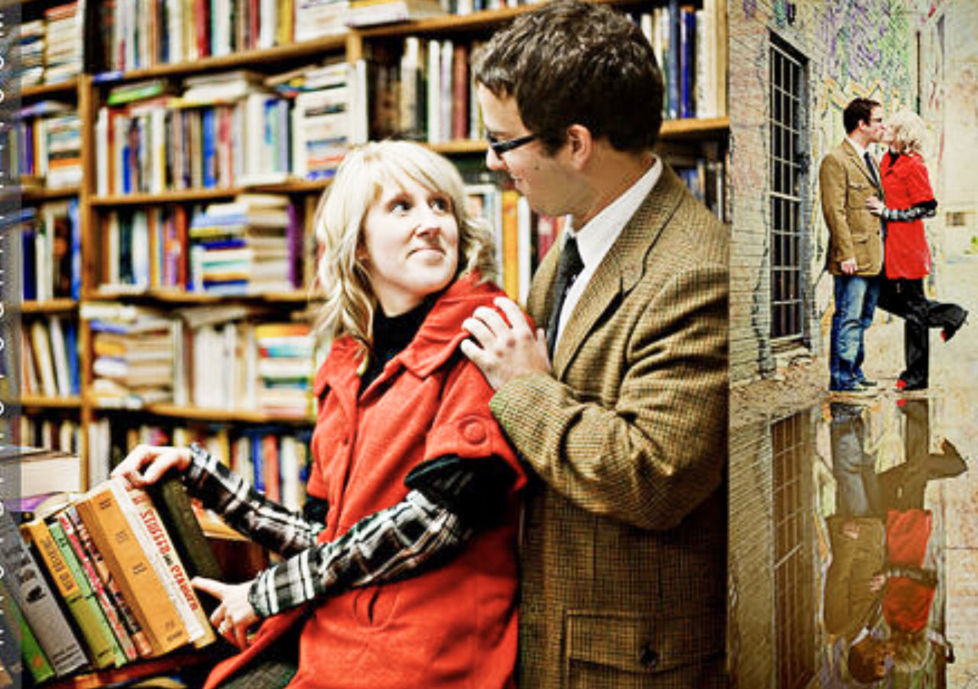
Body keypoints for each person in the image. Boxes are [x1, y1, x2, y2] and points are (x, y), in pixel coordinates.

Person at [112, 141, 527, 689]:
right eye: (402, 207)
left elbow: (433, 523)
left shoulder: (486, 336)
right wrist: (198, 475)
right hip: (338, 630)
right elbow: (325, 535)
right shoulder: (347, 365)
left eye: (441, 205)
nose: (430, 223)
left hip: (424, 653)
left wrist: (264, 593)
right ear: (357, 247)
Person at [459, 2, 729, 686]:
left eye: (503, 142)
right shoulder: (578, 236)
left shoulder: (697, 268)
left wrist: (523, 388)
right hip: (556, 633)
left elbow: (653, 473)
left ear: (575, 143)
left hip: (628, 661)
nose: (493, 163)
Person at [866, 109, 969, 392]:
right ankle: (950, 315)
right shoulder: (887, 159)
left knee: (913, 311)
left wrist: (888, 212)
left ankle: (916, 376)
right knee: (882, 296)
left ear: (904, 135)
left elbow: (928, 207)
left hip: (908, 245)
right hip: (890, 245)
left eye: (892, 128)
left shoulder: (914, 165)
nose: (886, 129)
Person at [820, 97, 887, 395]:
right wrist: (845, 253)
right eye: (878, 121)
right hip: (852, 256)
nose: (883, 127)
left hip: (872, 255)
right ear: (862, 124)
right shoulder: (836, 159)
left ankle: (855, 372)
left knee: (863, 317)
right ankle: (842, 378)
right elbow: (834, 211)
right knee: (847, 316)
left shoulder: (870, 160)